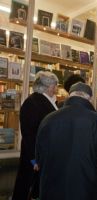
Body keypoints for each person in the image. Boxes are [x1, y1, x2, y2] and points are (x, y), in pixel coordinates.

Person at [35, 82, 97, 200]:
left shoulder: (48, 119)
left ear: (70, 96)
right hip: (85, 191)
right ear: (90, 99)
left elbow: (39, 158)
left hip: (51, 190)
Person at [12, 71, 59, 200]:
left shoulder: (45, 100)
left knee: (35, 188)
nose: (57, 88)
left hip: (42, 154)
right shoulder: (32, 102)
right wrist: (35, 159)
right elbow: (29, 134)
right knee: (26, 186)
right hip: (34, 155)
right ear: (49, 87)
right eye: (56, 85)